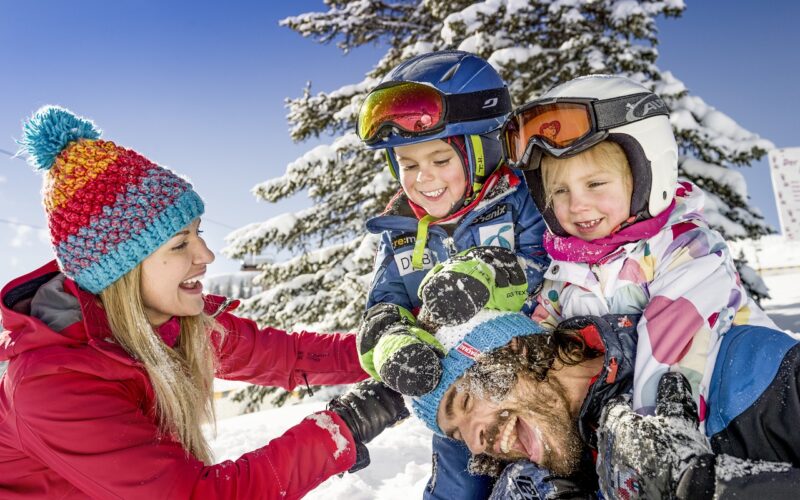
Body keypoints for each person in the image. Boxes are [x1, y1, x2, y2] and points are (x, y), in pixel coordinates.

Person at [0, 106, 409, 499]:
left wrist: (395, 349)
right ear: (119, 272)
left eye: (198, 233)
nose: (206, 256)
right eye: (180, 244)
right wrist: (347, 424)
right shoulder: (52, 386)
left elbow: (289, 356)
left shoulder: (171, 322)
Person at [425, 74, 777, 419]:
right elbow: (542, 350)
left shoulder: (685, 249)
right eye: (560, 191)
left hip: (748, 411)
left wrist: (656, 437)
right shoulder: (565, 274)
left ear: (649, 172)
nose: (577, 204)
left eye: (595, 183)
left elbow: (672, 357)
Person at [354, 50, 550, 499]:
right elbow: (384, 305)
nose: (424, 179)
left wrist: (488, 276)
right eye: (408, 164)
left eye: (440, 160)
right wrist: (392, 340)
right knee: (456, 491)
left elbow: (549, 267)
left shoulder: (519, 201)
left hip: (528, 386)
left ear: (482, 150)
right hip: (456, 404)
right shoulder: (399, 232)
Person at [410, 308, 800, 499]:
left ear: (517, 349)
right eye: (459, 437)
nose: (476, 444)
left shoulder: (748, 369)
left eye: (463, 401)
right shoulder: (560, 484)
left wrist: (705, 487)